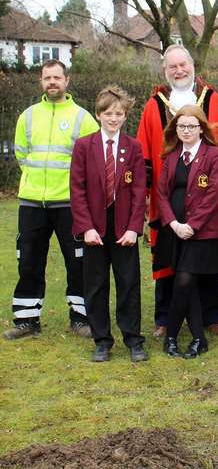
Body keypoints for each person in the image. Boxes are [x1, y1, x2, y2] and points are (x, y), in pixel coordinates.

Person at [136, 44, 218, 338]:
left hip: (206, 199)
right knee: (169, 258)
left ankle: (212, 317)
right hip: (169, 197)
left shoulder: (213, 100)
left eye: (183, 65)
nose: (179, 71)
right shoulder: (154, 104)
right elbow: (144, 149)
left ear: (193, 66)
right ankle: (165, 318)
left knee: (204, 256)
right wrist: (146, 196)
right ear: (165, 70)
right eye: (172, 67)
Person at [4, 59, 99, 340]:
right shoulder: (28, 116)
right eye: (47, 78)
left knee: (77, 262)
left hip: (70, 204)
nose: (52, 82)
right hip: (32, 202)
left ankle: (80, 318)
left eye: (57, 77)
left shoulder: (83, 118)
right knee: (29, 261)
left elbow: (92, 161)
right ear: (41, 81)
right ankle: (27, 321)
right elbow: (22, 154)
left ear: (67, 81)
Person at [70, 85, 148, 363]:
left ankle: (133, 339)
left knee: (128, 283)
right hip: (95, 227)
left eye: (119, 114)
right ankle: (102, 340)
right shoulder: (83, 146)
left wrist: (133, 228)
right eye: (108, 113)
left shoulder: (133, 147)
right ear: (98, 114)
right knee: (96, 285)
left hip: (123, 225)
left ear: (125, 116)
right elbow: (76, 190)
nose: (113, 119)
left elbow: (140, 191)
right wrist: (86, 227)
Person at [156, 105, 218, 359]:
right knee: (188, 286)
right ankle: (198, 338)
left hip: (201, 232)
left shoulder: (214, 155)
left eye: (191, 126)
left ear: (201, 128)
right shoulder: (171, 155)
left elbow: (213, 194)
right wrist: (174, 224)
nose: (186, 131)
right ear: (176, 129)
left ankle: (172, 336)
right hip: (175, 230)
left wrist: (192, 225)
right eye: (181, 126)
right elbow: (162, 193)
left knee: (185, 281)